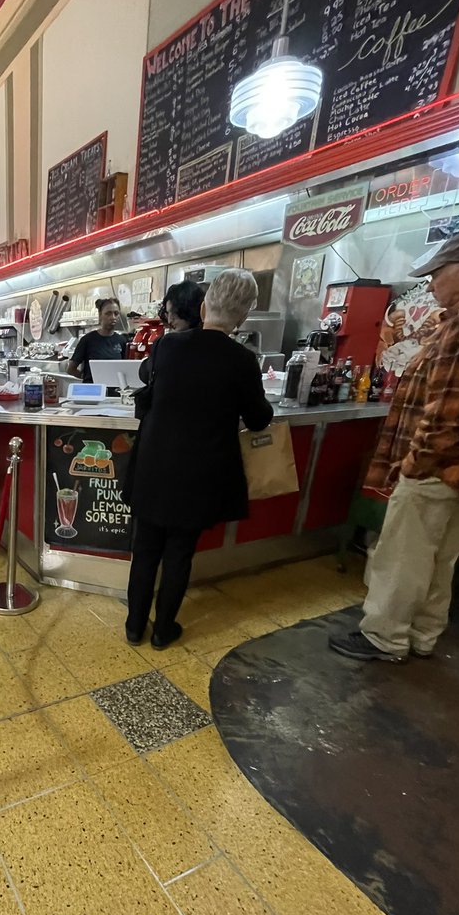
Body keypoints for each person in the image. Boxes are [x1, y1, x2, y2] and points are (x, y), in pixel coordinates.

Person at [330, 235, 459, 663]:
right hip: (458, 473)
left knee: (404, 557)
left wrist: (414, 463)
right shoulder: (454, 321)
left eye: (436, 275)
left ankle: (385, 637)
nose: (430, 286)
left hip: (435, 469)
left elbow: (449, 411)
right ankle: (424, 635)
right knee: (440, 559)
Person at [123, 268, 273, 648]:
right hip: (199, 473)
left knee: (144, 550)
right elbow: (258, 419)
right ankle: (163, 630)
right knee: (179, 554)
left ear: (205, 306)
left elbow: (147, 381)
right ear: (243, 316)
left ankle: (133, 626)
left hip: (154, 464)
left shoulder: (167, 346)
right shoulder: (242, 360)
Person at [67, 297, 127, 383]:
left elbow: (125, 368)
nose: (113, 317)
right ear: (100, 315)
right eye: (108, 313)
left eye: (116, 313)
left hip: (114, 391)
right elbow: (71, 369)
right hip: (93, 391)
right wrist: (87, 378)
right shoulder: (87, 340)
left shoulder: (121, 340)